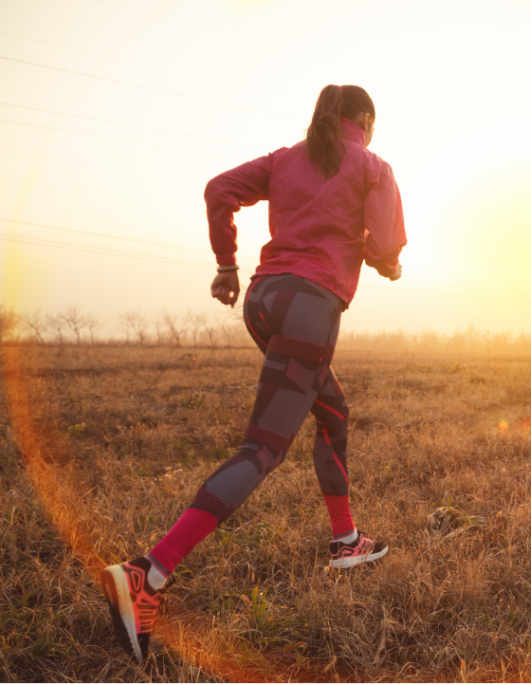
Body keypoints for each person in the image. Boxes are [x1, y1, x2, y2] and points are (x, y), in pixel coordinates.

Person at [100, 84, 406, 662]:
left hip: (265, 300)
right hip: (311, 308)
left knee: (333, 413)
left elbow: (219, 190)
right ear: (363, 119)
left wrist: (225, 264)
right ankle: (149, 572)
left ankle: (346, 542)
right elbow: (387, 243)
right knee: (262, 449)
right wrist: (383, 259)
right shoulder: (371, 165)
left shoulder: (285, 158)